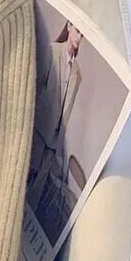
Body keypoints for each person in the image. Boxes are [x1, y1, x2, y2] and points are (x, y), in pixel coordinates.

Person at [27, 19, 83, 243]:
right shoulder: (52, 51)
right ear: (69, 27)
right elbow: (35, 91)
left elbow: (66, 112)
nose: (79, 38)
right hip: (37, 134)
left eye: (83, 35)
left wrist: (58, 145)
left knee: (34, 196)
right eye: (77, 30)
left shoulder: (77, 73)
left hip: (52, 144)